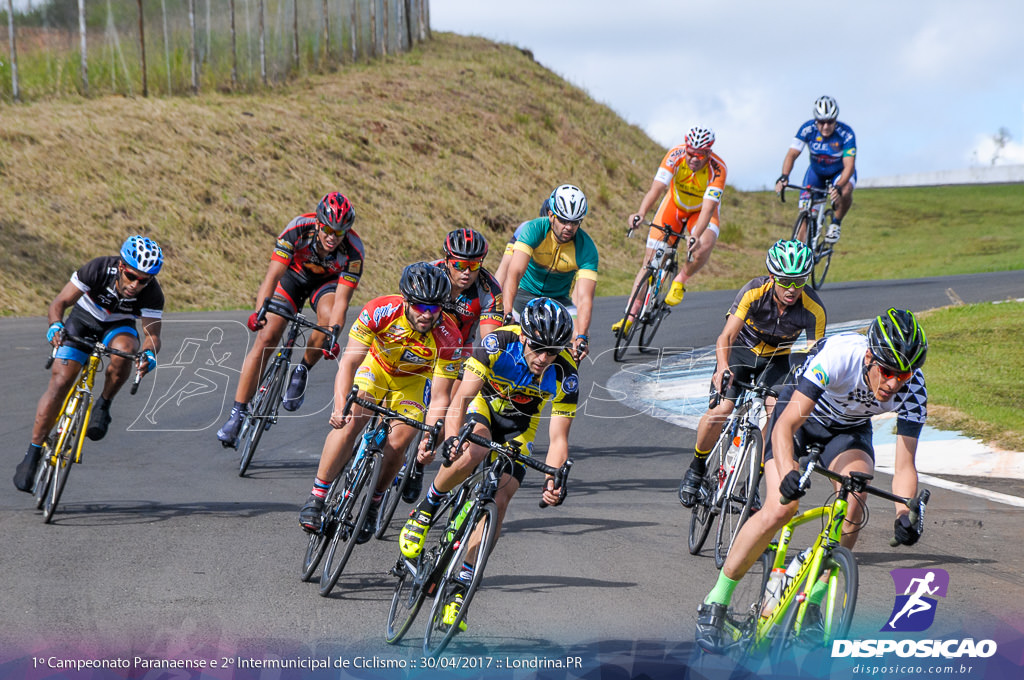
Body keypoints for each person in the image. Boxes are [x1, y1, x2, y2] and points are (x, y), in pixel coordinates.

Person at [694, 308, 929, 652]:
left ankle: (813, 605)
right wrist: (789, 471)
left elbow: (905, 464)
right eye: (887, 371)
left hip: (847, 431)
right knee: (780, 508)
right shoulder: (839, 357)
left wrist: (902, 515)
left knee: (855, 497)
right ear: (869, 357)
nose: (894, 383)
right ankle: (716, 602)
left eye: (904, 375)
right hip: (800, 419)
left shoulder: (914, 390)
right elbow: (786, 425)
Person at [397, 298, 578, 629]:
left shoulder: (565, 373)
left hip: (520, 428)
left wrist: (553, 479)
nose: (543, 358)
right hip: (484, 407)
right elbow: (462, 397)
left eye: (551, 352)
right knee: (475, 451)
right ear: (524, 335)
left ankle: (461, 588)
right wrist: (453, 440)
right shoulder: (498, 343)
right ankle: (425, 510)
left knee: (501, 498)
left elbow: (559, 439)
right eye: (538, 348)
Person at [298, 263, 463, 543]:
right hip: (376, 368)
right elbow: (349, 362)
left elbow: (440, 397)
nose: (426, 315)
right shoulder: (380, 310)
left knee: (400, 441)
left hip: (411, 383)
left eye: (434, 309)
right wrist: (340, 407)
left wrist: (428, 437)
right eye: (420, 306)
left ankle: (374, 503)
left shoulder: (450, 337)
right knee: (350, 422)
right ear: (406, 299)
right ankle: (317, 497)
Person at [679, 240, 826, 507]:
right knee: (722, 409)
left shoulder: (813, 308)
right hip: (740, 352)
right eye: (785, 281)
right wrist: (723, 367)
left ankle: (751, 485)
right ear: (772, 277)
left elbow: (817, 357)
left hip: (777, 360)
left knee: (775, 415)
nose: (792, 289)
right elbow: (727, 335)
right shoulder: (754, 291)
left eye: (800, 281)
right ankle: (697, 468)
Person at [13, 236, 165, 491]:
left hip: (118, 326)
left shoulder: (152, 292)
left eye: (143, 280)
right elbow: (59, 303)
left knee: (127, 350)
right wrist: (55, 325)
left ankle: (104, 404)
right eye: (131, 276)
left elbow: (152, 335)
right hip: (83, 319)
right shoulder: (97, 268)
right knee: (60, 383)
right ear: (120, 266)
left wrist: (149, 354)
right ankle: (34, 452)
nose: (136, 285)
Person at [216, 192, 364, 446]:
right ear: (318, 223)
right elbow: (272, 276)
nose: (332, 237)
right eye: (327, 229)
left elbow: (342, 301)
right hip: (292, 278)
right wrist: (259, 311)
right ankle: (237, 414)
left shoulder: (353, 252)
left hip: (326, 284)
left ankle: (302, 369)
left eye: (338, 233)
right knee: (267, 337)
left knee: (327, 320)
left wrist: (334, 334)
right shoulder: (297, 229)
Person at [398, 228, 505, 503]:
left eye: (473, 265)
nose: (466, 272)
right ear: (446, 260)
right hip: (425, 340)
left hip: (460, 351)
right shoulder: (430, 275)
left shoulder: (489, 290)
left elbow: (489, 341)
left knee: (449, 408)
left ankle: (419, 462)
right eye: (459, 264)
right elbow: (404, 312)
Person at [616, 125, 726, 334]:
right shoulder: (675, 155)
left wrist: (694, 235)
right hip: (674, 206)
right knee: (649, 262)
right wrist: (640, 213)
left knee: (704, 244)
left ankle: (680, 280)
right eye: (690, 153)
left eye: (699, 155)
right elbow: (657, 189)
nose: (693, 159)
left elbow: (709, 208)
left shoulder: (718, 169)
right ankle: (629, 317)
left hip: (701, 211)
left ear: (708, 153)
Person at [501, 184, 597, 360]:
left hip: (558, 300)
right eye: (563, 220)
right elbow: (514, 274)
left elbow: (584, 298)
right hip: (524, 294)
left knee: (577, 342)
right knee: (498, 338)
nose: (569, 227)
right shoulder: (534, 229)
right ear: (551, 215)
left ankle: (564, 384)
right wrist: (507, 310)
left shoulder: (586, 247)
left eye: (575, 222)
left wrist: (582, 336)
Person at [774, 95, 856, 244]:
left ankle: (836, 223)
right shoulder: (807, 129)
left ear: (835, 120)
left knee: (846, 190)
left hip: (839, 173)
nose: (825, 127)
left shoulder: (846, 133)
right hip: (816, 173)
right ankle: (800, 257)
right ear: (815, 120)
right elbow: (792, 154)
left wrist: (838, 187)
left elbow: (849, 166)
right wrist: (784, 176)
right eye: (821, 122)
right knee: (804, 216)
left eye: (830, 122)